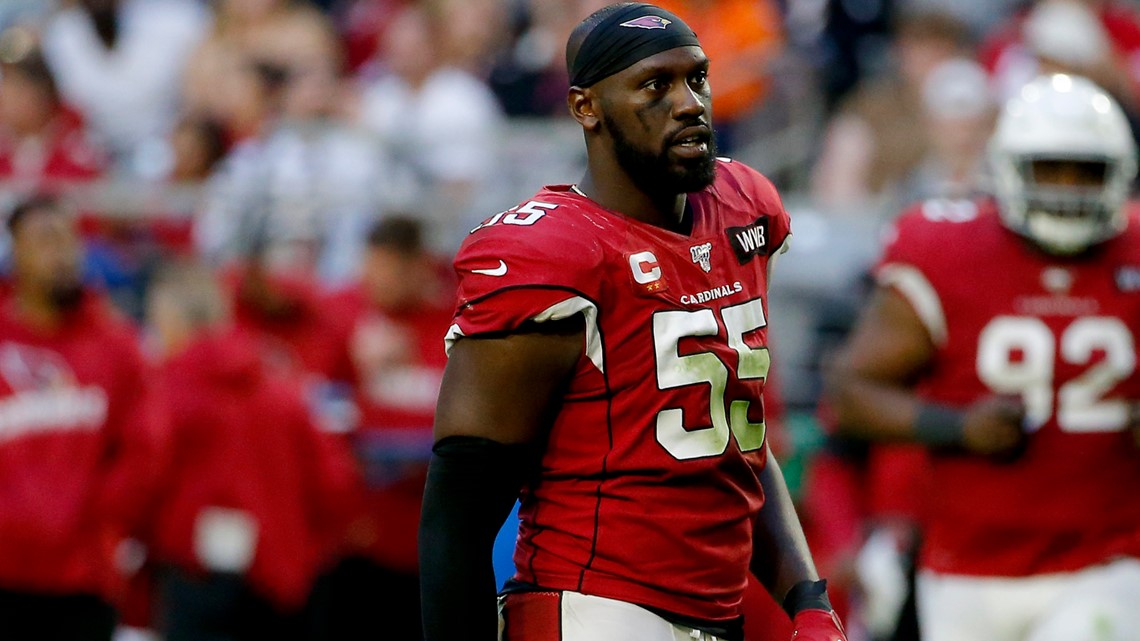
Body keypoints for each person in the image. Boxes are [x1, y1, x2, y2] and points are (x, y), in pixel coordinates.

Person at [418, 4, 847, 641]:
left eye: (696, 79)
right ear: (586, 107)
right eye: (654, 85)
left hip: (711, 617)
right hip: (594, 610)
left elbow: (734, 444)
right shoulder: (557, 254)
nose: (690, 104)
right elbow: (457, 513)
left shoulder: (743, 209)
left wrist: (809, 599)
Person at [825, 73, 1140, 641]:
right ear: (1008, 168)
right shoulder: (946, 250)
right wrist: (959, 428)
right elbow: (850, 395)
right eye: (1050, 169)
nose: (1067, 188)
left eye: (1085, 172)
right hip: (964, 567)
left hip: (1104, 557)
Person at [0, 195, 166, 640]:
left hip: (82, 576)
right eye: (44, 241)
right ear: (15, 253)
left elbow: (144, 451)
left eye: (69, 240)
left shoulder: (118, 345)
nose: (62, 255)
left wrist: (102, 524)